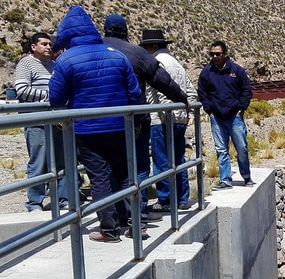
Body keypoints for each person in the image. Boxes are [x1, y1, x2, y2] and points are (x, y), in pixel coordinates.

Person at [49, 6, 142, 242]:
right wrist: (136, 121)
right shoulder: (116, 55)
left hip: (87, 129)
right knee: (125, 173)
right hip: (121, 126)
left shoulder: (66, 60)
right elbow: (134, 92)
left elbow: (56, 98)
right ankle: (135, 224)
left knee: (99, 176)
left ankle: (109, 229)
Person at [102, 14, 188, 218]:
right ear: (126, 31)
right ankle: (137, 214)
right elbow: (162, 81)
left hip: (99, 122)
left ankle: (112, 217)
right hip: (135, 120)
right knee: (140, 166)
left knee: (106, 169)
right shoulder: (137, 54)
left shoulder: (92, 50)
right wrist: (182, 99)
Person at [139, 29, 197, 211]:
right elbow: (191, 92)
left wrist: (166, 115)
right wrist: (188, 115)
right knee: (178, 158)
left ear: (154, 46)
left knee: (162, 160)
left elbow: (164, 93)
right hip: (179, 119)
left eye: (147, 47)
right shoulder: (177, 64)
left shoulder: (157, 63)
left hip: (162, 120)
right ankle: (182, 198)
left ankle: (165, 200)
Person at [13, 32, 67, 212]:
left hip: (56, 121)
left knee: (62, 160)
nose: (48, 47)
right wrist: (49, 97)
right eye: (43, 44)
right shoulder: (26, 63)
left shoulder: (53, 65)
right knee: (38, 162)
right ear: (33, 47)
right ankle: (34, 202)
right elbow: (21, 89)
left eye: (49, 44)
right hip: (36, 121)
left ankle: (63, 198)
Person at [197, 40, 253, 190]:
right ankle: (225, 180)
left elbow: (246, 90)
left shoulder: (237, 71)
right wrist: (209, 110)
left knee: (241, 148)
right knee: (221, 150)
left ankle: (246, 176)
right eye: (212, 54)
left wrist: (241, 108)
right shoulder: (207, 72)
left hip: (234, 117)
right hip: (217, 117)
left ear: (225, 54)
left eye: (218, 54)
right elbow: (202, 92)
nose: (215, 56)